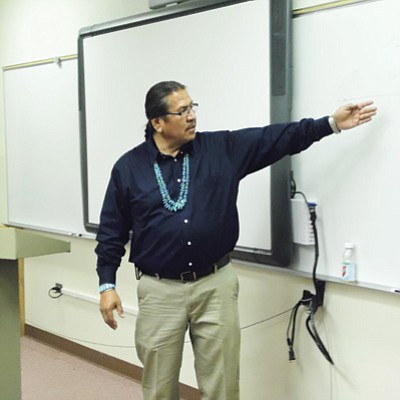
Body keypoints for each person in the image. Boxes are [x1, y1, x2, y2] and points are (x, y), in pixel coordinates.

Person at [95, 81, 377, 400]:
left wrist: (330, 124)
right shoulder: (129, 168)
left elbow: (276, 138)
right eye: (182, 110)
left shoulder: (222, 149)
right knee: (159, 385)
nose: (192, 116)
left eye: (193, 107)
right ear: (157, 122)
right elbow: (111, 232)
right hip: (160, 290)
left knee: (223, 383)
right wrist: (107, 285)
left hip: (215, 285)